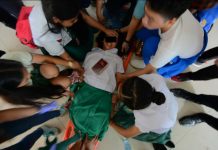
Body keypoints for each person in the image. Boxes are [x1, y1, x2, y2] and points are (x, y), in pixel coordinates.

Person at [50, 32, 124, 150]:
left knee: (84, 118)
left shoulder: (117, 59)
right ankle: (84, 140)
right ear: (102, 41)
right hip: (94, 88)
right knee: (96, 127)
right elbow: (84, 70)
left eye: (114, 40)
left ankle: (81, 139)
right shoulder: (91, 53)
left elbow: (119, 78)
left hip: (92, 92)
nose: (110, 43)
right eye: (108, 39)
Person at [117, 0, 204, 80]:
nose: (143, 20)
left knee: (150, 45)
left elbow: (149, 70)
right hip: (194, 31)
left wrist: (123, 77)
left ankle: (151, 62)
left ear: (170, 21)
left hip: (190, 52)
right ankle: (155, 60)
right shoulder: (172, 8)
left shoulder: (170, 46)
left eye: (150, 19)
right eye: (145, 13)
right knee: (140, 32)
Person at [28, 0, 117, 61]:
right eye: (72, 20)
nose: (76, 21)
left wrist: (105, 29)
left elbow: (84, 17)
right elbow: (67, 58)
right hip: (50, 37)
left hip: (60, 23)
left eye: (76, 18)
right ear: (56, 19)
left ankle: (74, 30)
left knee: (90, 29)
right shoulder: (45, 35)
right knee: (81, 55)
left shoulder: (64, 5)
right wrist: (75, 66)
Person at [111, 74, 178, 150]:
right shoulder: (154, 79)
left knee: (119, 120)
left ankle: (159, 141)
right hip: (169, 115)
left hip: (162, 125)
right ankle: (164, 140)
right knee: (159, 126)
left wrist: (110, 122)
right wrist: (123, 78)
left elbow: (127, 134)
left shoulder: (145, 119)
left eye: (120, 96)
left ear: (133, 108)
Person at [1, 50, 83, 88]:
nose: (30, 74)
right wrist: (63, 91)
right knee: (65, 82)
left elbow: (45, 58)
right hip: (35, 87)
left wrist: (70, 64)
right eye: (26, 79)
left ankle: (61, 75)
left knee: (52, 70)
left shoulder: (12, 57)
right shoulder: (14, 96)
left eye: (25, 69)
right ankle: (63, 79)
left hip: (38, 71)